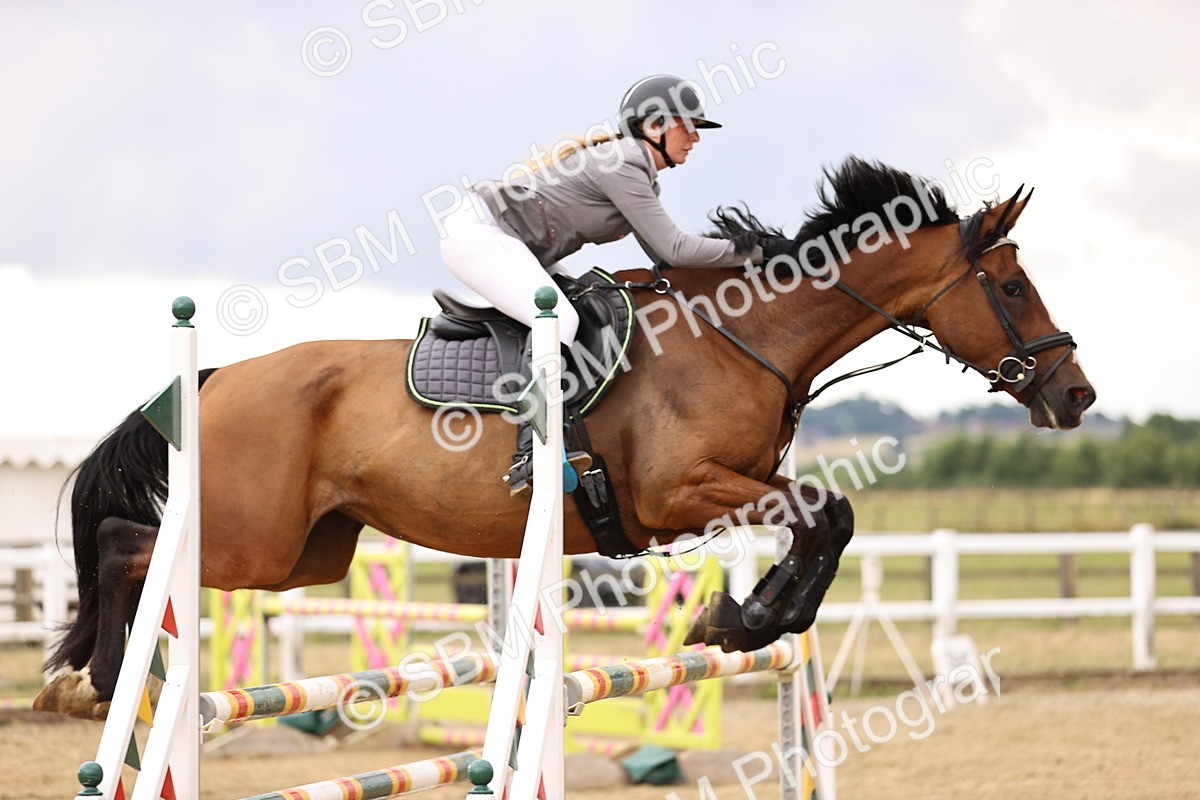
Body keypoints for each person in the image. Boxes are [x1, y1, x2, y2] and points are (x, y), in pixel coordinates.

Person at [438, 74, 793, 496]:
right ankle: (531, 453)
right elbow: (676, 249)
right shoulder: (624, 161)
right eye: (688, 124)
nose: (696, 136)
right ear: (654, 125)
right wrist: (756, 250)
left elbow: (662, 260)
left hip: (512, 241)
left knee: (588, 307)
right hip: (479, 232)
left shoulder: (639, 170)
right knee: (562, 321)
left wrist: (750, 258)